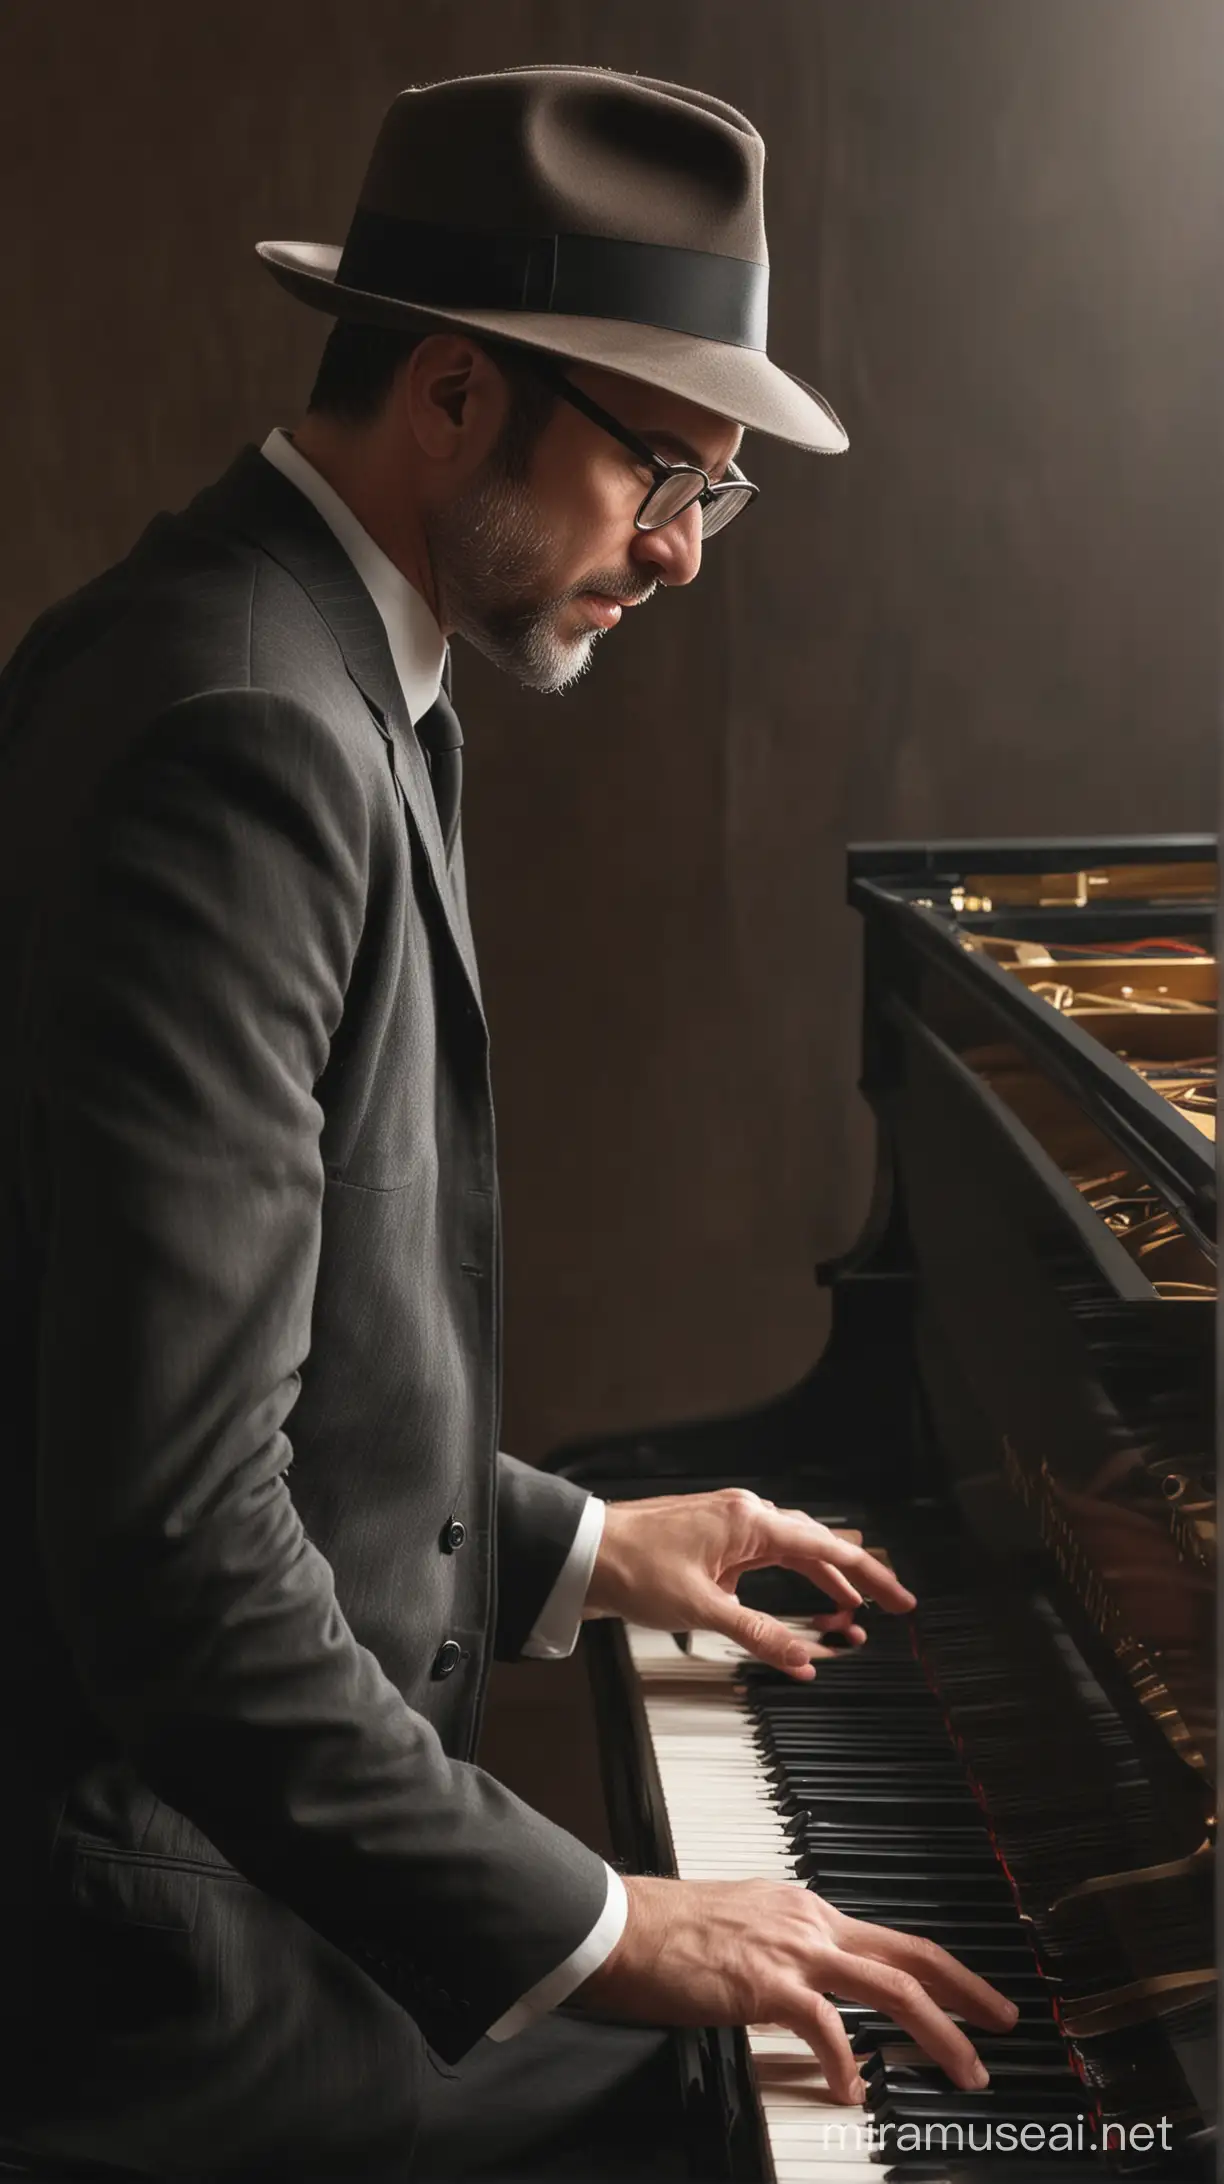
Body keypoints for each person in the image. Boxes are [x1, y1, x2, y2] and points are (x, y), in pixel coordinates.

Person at [0, 65, 1018, 2184]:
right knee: (824, 2093)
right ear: (455, 396)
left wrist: (575, 1543)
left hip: (204, 1870)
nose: (677, 553)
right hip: (159, 1965)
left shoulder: (295, 661)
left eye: (717, 496)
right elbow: (176, 1545)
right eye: (662, 470)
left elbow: (213, 1367)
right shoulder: (252, 737)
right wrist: (599, 1918)